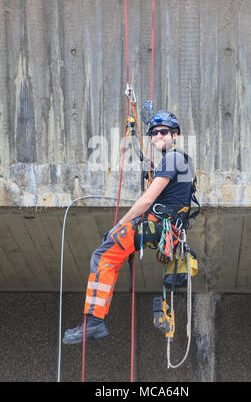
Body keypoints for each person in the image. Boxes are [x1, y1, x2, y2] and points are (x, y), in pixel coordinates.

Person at [63, 110, 195, 344]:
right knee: (109, 256)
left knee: (103, 256)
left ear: (175, 134)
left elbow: (146, 201)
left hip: (155, 225)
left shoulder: (173, 158)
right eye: (153, 133)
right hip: (166, 230)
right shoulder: (183, 162)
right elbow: (171, 198)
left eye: (163, 132)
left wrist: (118, 226)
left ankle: (93, 322)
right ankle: (94, 321)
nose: (157, 136)